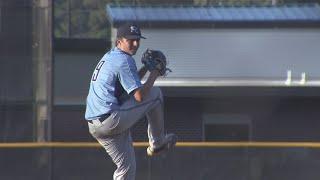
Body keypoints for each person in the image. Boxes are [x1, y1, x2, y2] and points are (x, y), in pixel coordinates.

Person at [85, 23, 177, 180]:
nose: (135, 43)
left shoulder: (110, 57)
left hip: (95, 125)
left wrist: (146, 68)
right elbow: (140, 96)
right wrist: (154, 72)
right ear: (119, 40)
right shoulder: (124, 60)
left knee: (126, 168)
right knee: (155, 95)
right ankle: (158, 143)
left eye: (138, 40)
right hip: (111, 119)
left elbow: (127, 88)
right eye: (131, 40)